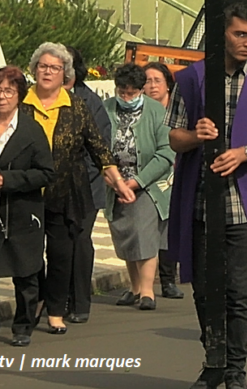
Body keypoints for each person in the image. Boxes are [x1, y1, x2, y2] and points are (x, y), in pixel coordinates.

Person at [167, 0, 247, 389]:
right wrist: (195, 136)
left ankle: (236, 370)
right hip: (202, 201)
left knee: (238, 294)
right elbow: (174, 137)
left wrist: (245, 152)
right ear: (223, 32)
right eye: (241, 34)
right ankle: (214, 361)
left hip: (245, 203)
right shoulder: (191, 78)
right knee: (204, 291)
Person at [22, 43, 133, 335]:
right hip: (26, 193)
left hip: (66, 192)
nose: (48, 72)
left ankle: (56, 311)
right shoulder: (20, 102)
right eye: (43, 66)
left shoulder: (77, 105)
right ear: (34, 70)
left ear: (65, 74)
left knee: (61, 255)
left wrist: (118, 182)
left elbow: (98, 148)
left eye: (55, 68)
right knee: (30, 255)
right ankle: (34, 304)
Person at [0, 66, 55, 349]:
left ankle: (23, 325)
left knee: (26, 273)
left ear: (19, 95)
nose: (2, 96)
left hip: (23, 212)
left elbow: (46, 172)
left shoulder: (32, 130)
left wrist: (10, 179)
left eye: (8, 91)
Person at [104, 64, 175, 312]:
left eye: (132, 93)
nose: (126, 97)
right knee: (126, 236)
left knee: (144, 236)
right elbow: (98, 146)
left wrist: (136, 182)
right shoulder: (107, 110)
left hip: (147, 184)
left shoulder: (156, 111)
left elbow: (166, 152)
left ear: (141, 90)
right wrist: (116, 181)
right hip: (114, 182)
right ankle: (134, 289)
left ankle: (147, 291)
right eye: (122, 92)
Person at [64, 46, 114, 323]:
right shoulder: (42, 98)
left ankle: (80, 302)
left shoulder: (89, 102)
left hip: (85, 185)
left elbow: (99, 146)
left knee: (79, 241)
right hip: (52, 186)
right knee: (58, 244)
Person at [142, 61, 186, 298]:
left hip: (175, 173)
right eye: (147, 81)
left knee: (170, 227)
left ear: (168, 85)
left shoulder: (177, 109)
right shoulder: (141, 111)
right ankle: (139, 284)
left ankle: (168, 279)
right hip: (149, 174)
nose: (152, 86)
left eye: (157, 80)